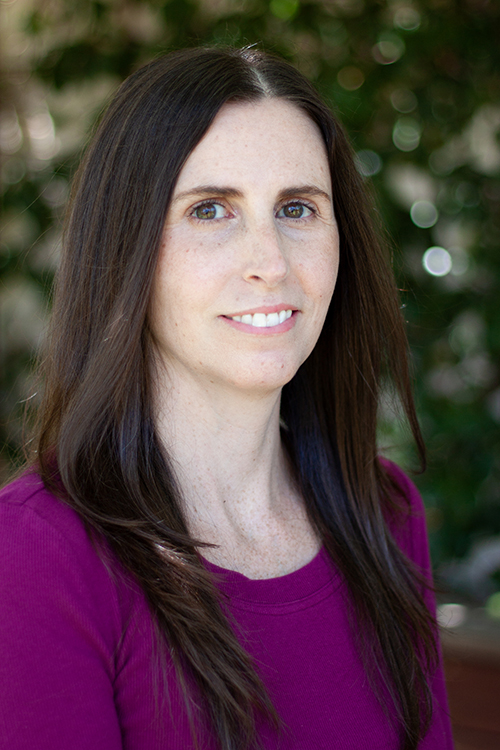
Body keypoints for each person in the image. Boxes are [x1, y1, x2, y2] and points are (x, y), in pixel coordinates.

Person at [0, 47, 453, 750]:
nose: (270, 262)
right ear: (125, 247)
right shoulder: (37, 557)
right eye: (211, 210)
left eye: (298, 208)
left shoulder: (383, 512)